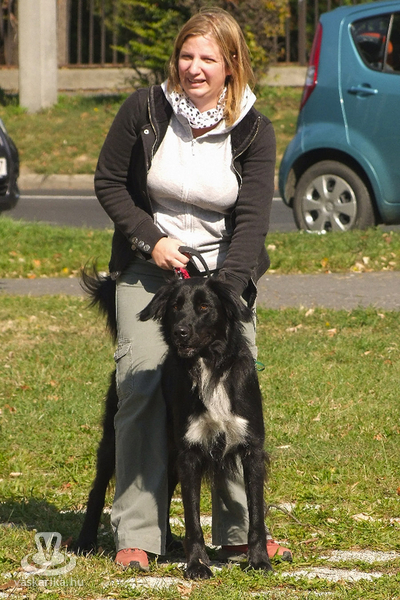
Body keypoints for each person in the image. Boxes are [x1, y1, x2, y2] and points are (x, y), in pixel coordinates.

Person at [94, 7, 292, 571]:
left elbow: (252, 222)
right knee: (139, 385)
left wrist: (221, 293)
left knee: (234, 392)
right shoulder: (144, 110)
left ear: (231, 64)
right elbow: (109, 182)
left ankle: (239, 532)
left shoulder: (253, 128)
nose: (194, 68)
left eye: (208, 58)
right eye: (187, 55)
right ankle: (138, 533)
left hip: (222, 281)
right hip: (150, 269)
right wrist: (151, 239)